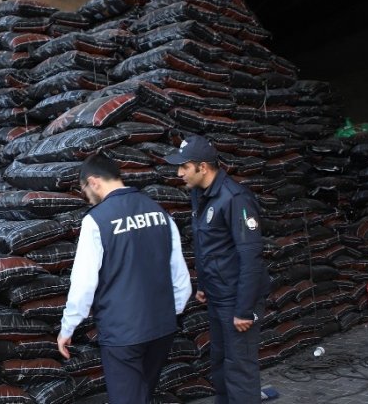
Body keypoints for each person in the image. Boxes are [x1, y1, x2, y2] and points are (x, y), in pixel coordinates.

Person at [58, 153, 192, 404]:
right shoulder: (159, 211)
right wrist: (168, 314)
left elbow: (84, 284)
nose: (87, 197)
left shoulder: (96, 221)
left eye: (85, 190)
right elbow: (180, 276)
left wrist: (68, 328)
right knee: (144, 393)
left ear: (94, 181)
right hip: (161, 328)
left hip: (123, 334)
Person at [165, 135, 271, 404]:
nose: (179, 173)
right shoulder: (199, 195)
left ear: (203, 167)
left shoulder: (235, 198)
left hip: (237, 300)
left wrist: (244, 309)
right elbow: (209, 245)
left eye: (184, 167)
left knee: (239, 368)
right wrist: (203, 284)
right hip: (217, 295)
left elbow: (251, 257)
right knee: (220, 363)